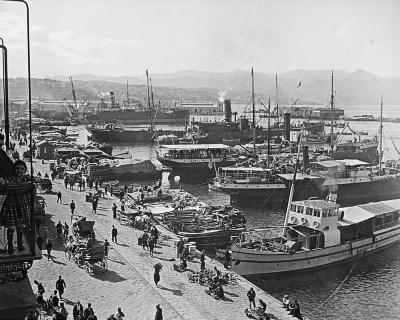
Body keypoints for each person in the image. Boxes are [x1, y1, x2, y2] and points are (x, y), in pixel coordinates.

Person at [0, 160, 35, 254]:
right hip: (12, 205)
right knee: (11, 227)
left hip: (22, 205)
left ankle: (20, 245)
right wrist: (3, 181)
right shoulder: (11, 179)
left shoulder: (26, 178)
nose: (19, 171)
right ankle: (10, 245)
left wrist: (36, 179)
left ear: (25, 170)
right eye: (17, 168)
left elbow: (36, 179)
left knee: (20, 227)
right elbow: (6, 183)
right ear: (14, 169)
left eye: (22, 169)